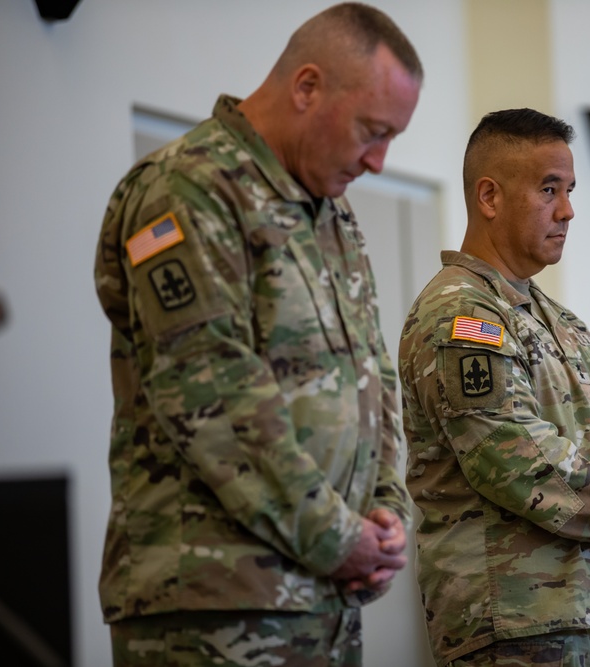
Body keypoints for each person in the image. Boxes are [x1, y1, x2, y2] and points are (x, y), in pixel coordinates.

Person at [92, 4, 422, 665]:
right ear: (307, 87)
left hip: (321, 600)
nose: (381, 161)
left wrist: (385, 513)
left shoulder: (332, 213)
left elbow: (372, 377)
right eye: (372, 130)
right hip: (214, 605)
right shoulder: (187, 187)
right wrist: (337, 536)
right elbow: (211, 387)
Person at [398, 108, 590, 666]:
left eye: (570, 190)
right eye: (549, 189)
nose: (568, 210)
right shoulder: (461, 312)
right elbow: (512, 456)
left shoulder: (563, 322)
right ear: (490, 197)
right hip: (519, 622)